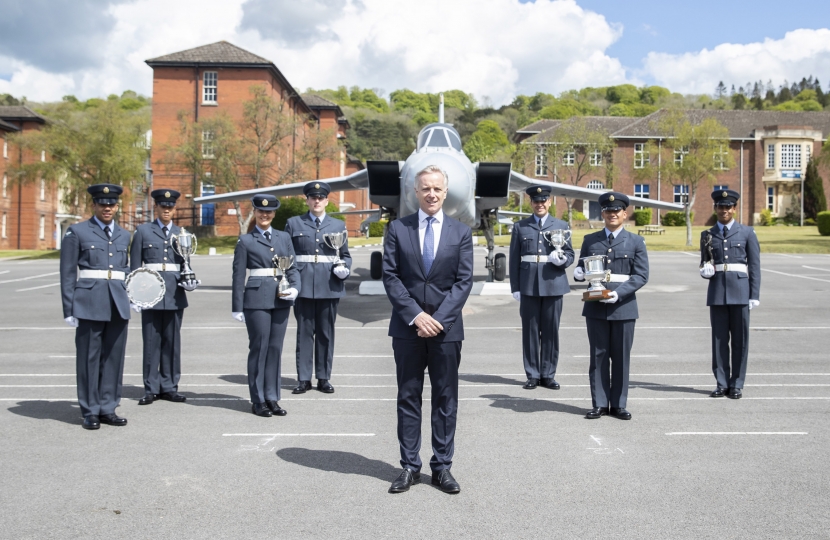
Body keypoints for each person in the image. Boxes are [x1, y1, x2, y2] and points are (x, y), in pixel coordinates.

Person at [383, 165, 474, 495]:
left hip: (446, 331)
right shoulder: (397, 229)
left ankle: (442, 467)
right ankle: (409, 466)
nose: (431, 194)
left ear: (445, 192)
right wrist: (416, 316)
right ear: (415, 193)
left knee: (445, 399)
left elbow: (464, 282)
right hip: (408, 330)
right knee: (408, 397)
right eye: (425, 189)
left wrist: (438, 320)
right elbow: (391, 277)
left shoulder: (461, 233)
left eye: (437, 188)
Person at [60, 184, 132, 430]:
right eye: (102, 203)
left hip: (118, 303)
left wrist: (134, 297)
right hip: (89, 302)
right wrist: (69, 308)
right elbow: (68, 273)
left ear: (117, 206)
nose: (107, 208)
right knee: (89, 357)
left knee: (113, 357)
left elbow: (126, 271)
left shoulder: (124, 235)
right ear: (94, 205)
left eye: (111, 204)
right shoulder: (77, 232)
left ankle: (108, 407)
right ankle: (90, 410)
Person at [573, 192, 648, 420]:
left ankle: (618, 404)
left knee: (621, 357)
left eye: (617, 211)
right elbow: (583, 267)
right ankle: (599, 403)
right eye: (608, 210)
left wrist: (618, 294)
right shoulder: (590, 240)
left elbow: (641, 275)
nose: (612, 214)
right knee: (598, 356)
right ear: (602, 213)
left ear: (624, 214)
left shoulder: (635, 241)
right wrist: (578, 273)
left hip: (623, 306)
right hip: (596, 306)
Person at [231, 194, 300, 417]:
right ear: (255, 212)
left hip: (281, 298)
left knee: (275, 349)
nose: (265, 215)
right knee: (259, 347)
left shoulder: (283, 237)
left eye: (269, 211)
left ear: (274, 213)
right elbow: (238, 275)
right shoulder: (246, 241)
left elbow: (292, 268)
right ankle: (258, 399)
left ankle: (272, 397)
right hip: (256, 299)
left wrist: (296, 289)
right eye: (261, 211)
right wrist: (237, 306)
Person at [129, 189, 198, 406]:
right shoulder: (143, 231)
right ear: (156, 207)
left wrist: (190, 280)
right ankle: (150, 387)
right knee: (151, 342)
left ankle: (169, 386)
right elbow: (134, 266)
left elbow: (185, 264)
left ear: (174, 208)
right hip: (150, 293)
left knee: (172, 342)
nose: (166, 210)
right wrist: (134, 295)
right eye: (163, 206)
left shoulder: (182, 233)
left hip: (174, 294)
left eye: (170, 207)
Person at [285, 181, 352, 395]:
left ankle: (324, 377)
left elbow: (345, 255)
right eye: (313, 197)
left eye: (320, 197)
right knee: (304, 333)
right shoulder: (294, 223)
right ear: (307, 200)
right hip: (303, 285)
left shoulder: (338, 225)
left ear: (327, 200)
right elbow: (287, 255)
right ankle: (304, 378)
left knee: (325, 333)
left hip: (329, 285)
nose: (316, 201)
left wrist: (345, 269)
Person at [509, 185, 574, 390]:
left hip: (553, 284)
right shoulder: (521, 227)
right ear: (532, 203)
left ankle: (548, 374)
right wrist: (515, 286)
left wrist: (562, 260)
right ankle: (532, 374)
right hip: (528, 285)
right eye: (536, 201)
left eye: (543, 200)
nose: (540, 204)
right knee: (530, 332)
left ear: (550, 201)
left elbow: (571, 255)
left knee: (550, 331)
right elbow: (513, 259)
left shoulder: (561, 225)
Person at [699, 188, 761, 399]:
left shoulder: (747, 233)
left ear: (734, 209)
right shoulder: (707, 235)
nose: (724, 210)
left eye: (728, 207)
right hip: (717, 292)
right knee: (718, 341)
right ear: (715, 208)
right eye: (720, 206)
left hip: (741, 291)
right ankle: (722, 382)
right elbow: (705, 262)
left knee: (740, 341)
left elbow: (754, 266)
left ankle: (737, 383)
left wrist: (754, 294)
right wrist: (704, 272)